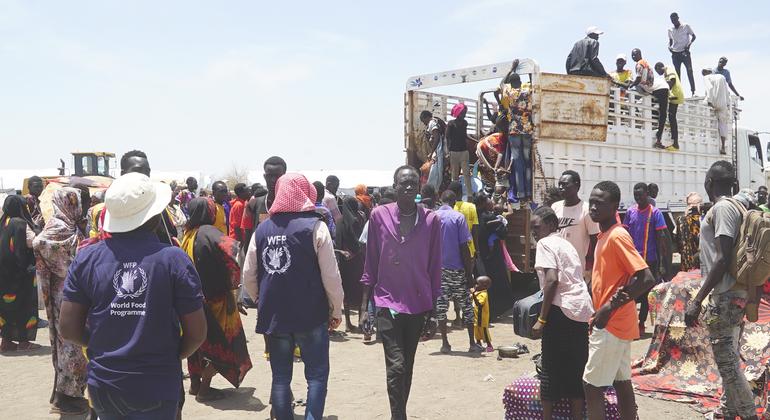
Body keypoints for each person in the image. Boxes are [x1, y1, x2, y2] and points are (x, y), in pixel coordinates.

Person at [59, 172, 207, 419]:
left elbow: (68, 328)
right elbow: (197, 333)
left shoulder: (87, 258)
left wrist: (100, 345)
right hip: (157, 384)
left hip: (104, 384)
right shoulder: (174, 259)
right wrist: (170, 354)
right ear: (154, 218)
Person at [243, 173, 344, 420]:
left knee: (280, 377)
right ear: (305, 193)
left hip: (275, 315)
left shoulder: (262, 229)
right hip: (311, 313)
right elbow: (331, 276)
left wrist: (260, 299)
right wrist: (336, 309)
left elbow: (248, 275)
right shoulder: (316, 226)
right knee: (317, 375)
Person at [359, 165, 442, 420]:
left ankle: (399, 412)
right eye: (403, 183)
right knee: (396, 365)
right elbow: (370, 262)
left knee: (407, 365)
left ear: (418, 188)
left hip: (418, 304)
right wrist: (364, 308)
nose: (408, 187)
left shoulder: (431, 220)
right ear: (395, 186)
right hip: (387, 302)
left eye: (413, 183)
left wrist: (436, 311)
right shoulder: (378, 216)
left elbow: (434, 267)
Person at [685, 161, 758, 419]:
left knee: (727, 364)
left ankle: (749, 414)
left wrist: (697, 299)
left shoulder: (724, 208)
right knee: (729, 356)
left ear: (708, 183)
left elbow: (722, 258)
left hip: (725, 296)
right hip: (734, 294)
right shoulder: (737, 205)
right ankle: (727, 411)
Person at [583, 181, 655, 420]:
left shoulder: (617, 236)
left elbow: (645, 277)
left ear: (614, 205)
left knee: (592, 386)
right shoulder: (605, 235)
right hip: (618, 323)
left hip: (612, 323)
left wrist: (608, 307)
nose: (593, 207)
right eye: (591, 202)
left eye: (599, 203)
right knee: (622, 382)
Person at [179, 197, 252, 402]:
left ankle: (194, 384)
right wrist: (234, 283)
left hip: (192, 300)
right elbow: (235, 251)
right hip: (216, 300)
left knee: (197, 345)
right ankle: (204, 389)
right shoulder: (210, 233)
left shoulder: (188, 235)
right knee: (222, 345)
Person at [530, 206, 594, 420]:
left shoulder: (545, 243)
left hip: (560, 310)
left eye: (536, 227)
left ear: (549, 225)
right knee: (577, 366)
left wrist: (541, 319)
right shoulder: (566, 244)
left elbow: (552, 280)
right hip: (580, 309)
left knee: (550, 367)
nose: (534, 233)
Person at [32, 188, 89, 415]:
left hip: (74, 292)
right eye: (76, 202)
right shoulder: (59, 226)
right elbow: (40, 242)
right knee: (70, 345)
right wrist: (66, 263)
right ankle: (67, 397)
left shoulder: (72, 225)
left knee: (75, 344)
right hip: (64, 294)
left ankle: (70, 393)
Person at [623, 183, 672, 336]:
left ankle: (641, 323)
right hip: (633, 262)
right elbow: (624, 234)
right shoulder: (630, 212)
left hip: (650, 260)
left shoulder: (655, 213)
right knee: (630, 292)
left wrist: (663, 264)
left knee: (646, 294)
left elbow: (662, 238)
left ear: (647, 195)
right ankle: (629, 322)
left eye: (640, 195)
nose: (638, 198)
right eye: (635, 195)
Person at [434, 190, 477, 353]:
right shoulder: (458, 217)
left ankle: (445, 343)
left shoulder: (432, 217)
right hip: (457, 270)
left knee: (441, 307)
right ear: (454, 202)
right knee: (467, 306)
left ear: (440, 199)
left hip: (438, 270)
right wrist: (469, 273)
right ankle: (472, 344)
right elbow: (464, 247)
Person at [0, 195, 39, 352]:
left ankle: (6, 341)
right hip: (21, 273)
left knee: (6, 307)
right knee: (24, 305)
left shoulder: (2, 223)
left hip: (3, 275)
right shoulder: (21, 224)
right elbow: (34, 242)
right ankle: (24, 342)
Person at [552, 170, 600, 280]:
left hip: (577, 270)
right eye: (559, 184)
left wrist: (590, 268)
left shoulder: (586, 210)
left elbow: (595, 241)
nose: (560, 187)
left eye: (565, 184)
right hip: (556, 267)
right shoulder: (555, 207)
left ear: (577, 186)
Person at [474, 193, 514, 318]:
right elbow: (502, 232)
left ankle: (485, 311)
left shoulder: (474, 216)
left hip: (479, 255)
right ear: (483, 203)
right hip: (492, 257)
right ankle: (495, 311)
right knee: (496, 283)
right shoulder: (488, 217)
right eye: (487, 199)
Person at [242, 156, 287, 248]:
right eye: (270, 176)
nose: (273, 180)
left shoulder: (293, 205)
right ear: (265, 177)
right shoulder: (254, 204)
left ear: (284, 176)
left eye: (278, 176)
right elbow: (248, 238)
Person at [336, 196, 366, 333]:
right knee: (360, 291)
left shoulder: (339, 221)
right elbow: (358, 242)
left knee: (346, 292)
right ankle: (360, 321)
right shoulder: (354, 221)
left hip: (343, 261)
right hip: (356, 262)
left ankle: (348, 323)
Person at [654, 62, 685, 151]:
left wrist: (665, 91)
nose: (658, 73)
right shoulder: (665, 74)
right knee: (671, 117)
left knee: (672, 117)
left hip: (676, 94)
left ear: (660, 67)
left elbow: (672, 81)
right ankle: (675, 142)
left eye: (657, 71)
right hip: (674, 95)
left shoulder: (668, 69)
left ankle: (675, 143)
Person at [446, 102, 474, 199]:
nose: (465, 114)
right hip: (454, 152)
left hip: (464, 152)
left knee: (466, 174)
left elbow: (465, 136)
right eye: (463, 112)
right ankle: (454, 196)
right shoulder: (450, 124)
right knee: (455, 176)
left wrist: (475, 140)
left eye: (465, 112)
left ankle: (470, 195)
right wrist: (448, 152)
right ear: (459, 113)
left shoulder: (465, 123)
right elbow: (447, 138)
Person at [703, 68, 732, 155]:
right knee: (723, 124)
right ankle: (723, 146)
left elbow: (710, 89)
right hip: (723, 103)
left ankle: (707, 134)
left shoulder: (706, 77)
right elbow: (727, 92)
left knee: (703, 106)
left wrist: (710, 102)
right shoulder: (722, 77)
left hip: (714, 102)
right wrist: (727, 104)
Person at [668, 12, 697, 96]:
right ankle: (679, 93)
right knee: (677, 74)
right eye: (672, 20)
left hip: (685, 52)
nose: (674, 21)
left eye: (675, 19)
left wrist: (689, 45)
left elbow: (694, 36)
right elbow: (670, 41)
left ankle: (693, 91)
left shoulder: (685, 26)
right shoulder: (670, 29)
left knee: (689, 70)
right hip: (675, 54)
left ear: (678, 18)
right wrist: (669, 47)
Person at [448, 181, 478, 258]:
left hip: (452, 250)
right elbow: (474, 231)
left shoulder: (448, 209)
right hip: (469, 249)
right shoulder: (471, 207)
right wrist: (476, 249)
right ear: (461, 192)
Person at [419, 110, 447, 190]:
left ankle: (433, 189)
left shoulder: (432, 123)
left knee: (435, 173)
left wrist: (431, 153)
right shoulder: (433, 122)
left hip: (438, 151)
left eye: (423, 120)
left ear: (426, 117)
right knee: (435, 172)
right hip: (437, 151)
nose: (423, 123)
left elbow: (437, 137)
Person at [676, 192, 703, 271]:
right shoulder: (705, 219)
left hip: (687, 266)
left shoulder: (680, 220)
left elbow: (678, 244)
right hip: (701, 264)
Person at [651, 66, 671, 150]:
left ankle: (658, 138)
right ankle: (658, 138)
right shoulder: (662, 79)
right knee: (663, 114)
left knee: (653, 105)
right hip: (664, 89)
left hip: (656, 89)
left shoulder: (654, 79)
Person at [471, 276, 492, 351]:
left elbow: (479, 304)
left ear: (484, 286)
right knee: (476, 332)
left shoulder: (483, 294)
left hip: (482, 318)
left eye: (477, 284)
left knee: (484, 332)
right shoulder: (478, 292)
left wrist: (473, 294)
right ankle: (478, 344)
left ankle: (489, 345)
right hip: (476, 317)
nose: (475, 285)